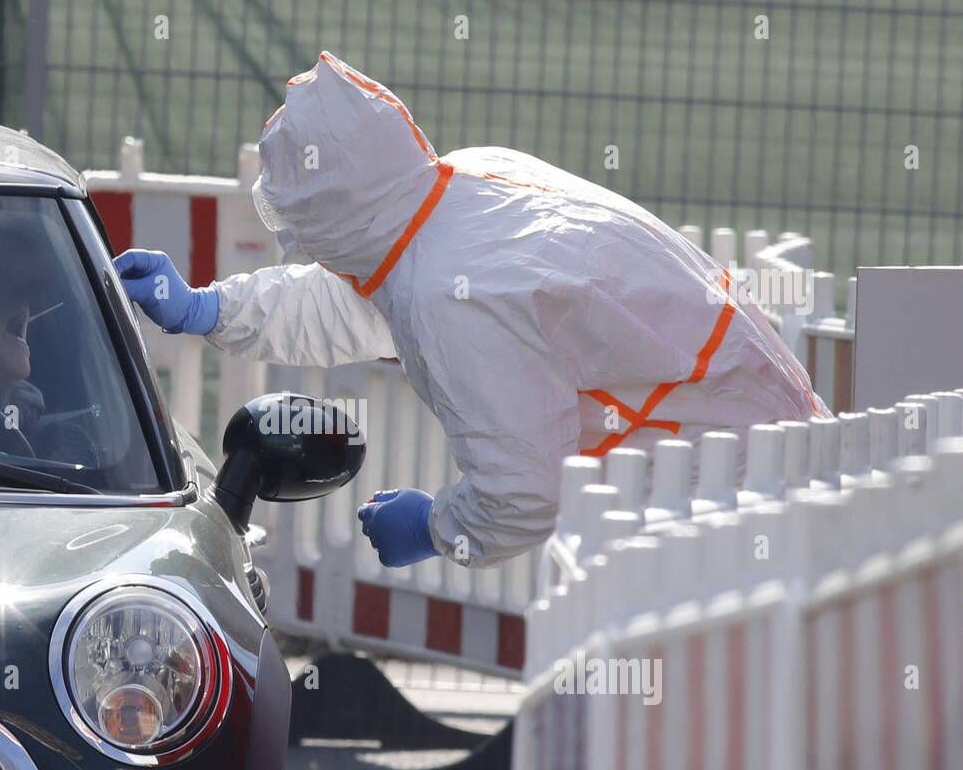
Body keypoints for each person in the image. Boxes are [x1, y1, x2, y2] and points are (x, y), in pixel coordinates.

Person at [115, 51, 828, 569]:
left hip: (736, 508)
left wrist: (434, 527)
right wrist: (210, 308)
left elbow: (522, 493)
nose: (301, 246)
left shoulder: (449, 299)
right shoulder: (461, 190)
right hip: (769, 461)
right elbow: (358, 297)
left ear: (328, 219)